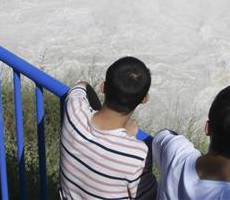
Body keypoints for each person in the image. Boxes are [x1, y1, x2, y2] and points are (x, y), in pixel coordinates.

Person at [59, 56, 157, 199]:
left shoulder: (74, 112)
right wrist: (127, 137)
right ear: (144, 99)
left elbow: (82, 86)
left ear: (103, 87)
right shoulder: (137, 155)